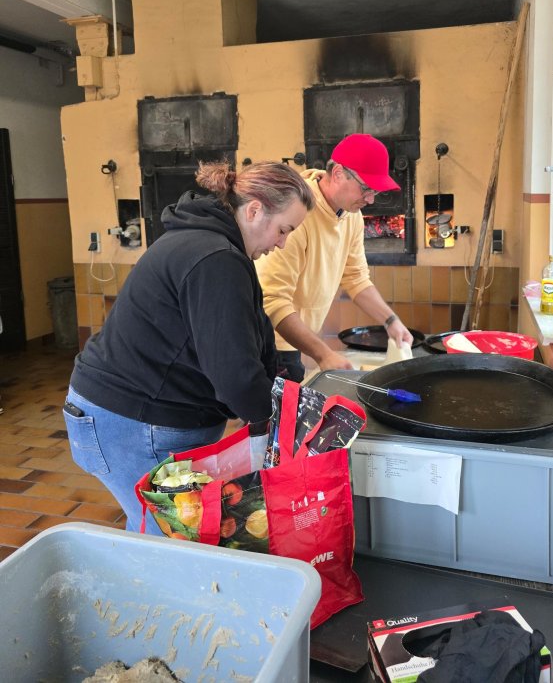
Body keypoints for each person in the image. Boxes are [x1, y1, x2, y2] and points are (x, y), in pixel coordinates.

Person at [63, 160, 314, 534]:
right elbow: (234, 374)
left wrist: (280, 384)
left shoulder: (213, 245)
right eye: (283, 230)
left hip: (125, 414)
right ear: (254, 210)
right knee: (172, 544)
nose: (282, 243)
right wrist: (281, 423)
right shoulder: (216, 258)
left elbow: (240, 335)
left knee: (155, 534)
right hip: (134, 422)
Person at [256, 133, 413, 381]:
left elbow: (356, 278)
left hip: (292, 340)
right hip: (269, 341)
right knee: (278, 405)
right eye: (366, 188)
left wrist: (391, 321)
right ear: (338, 173)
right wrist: (324, 354)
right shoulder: (296, 213)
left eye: (375, 192)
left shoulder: (352, 216)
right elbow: (272, 300)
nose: (371, 199)